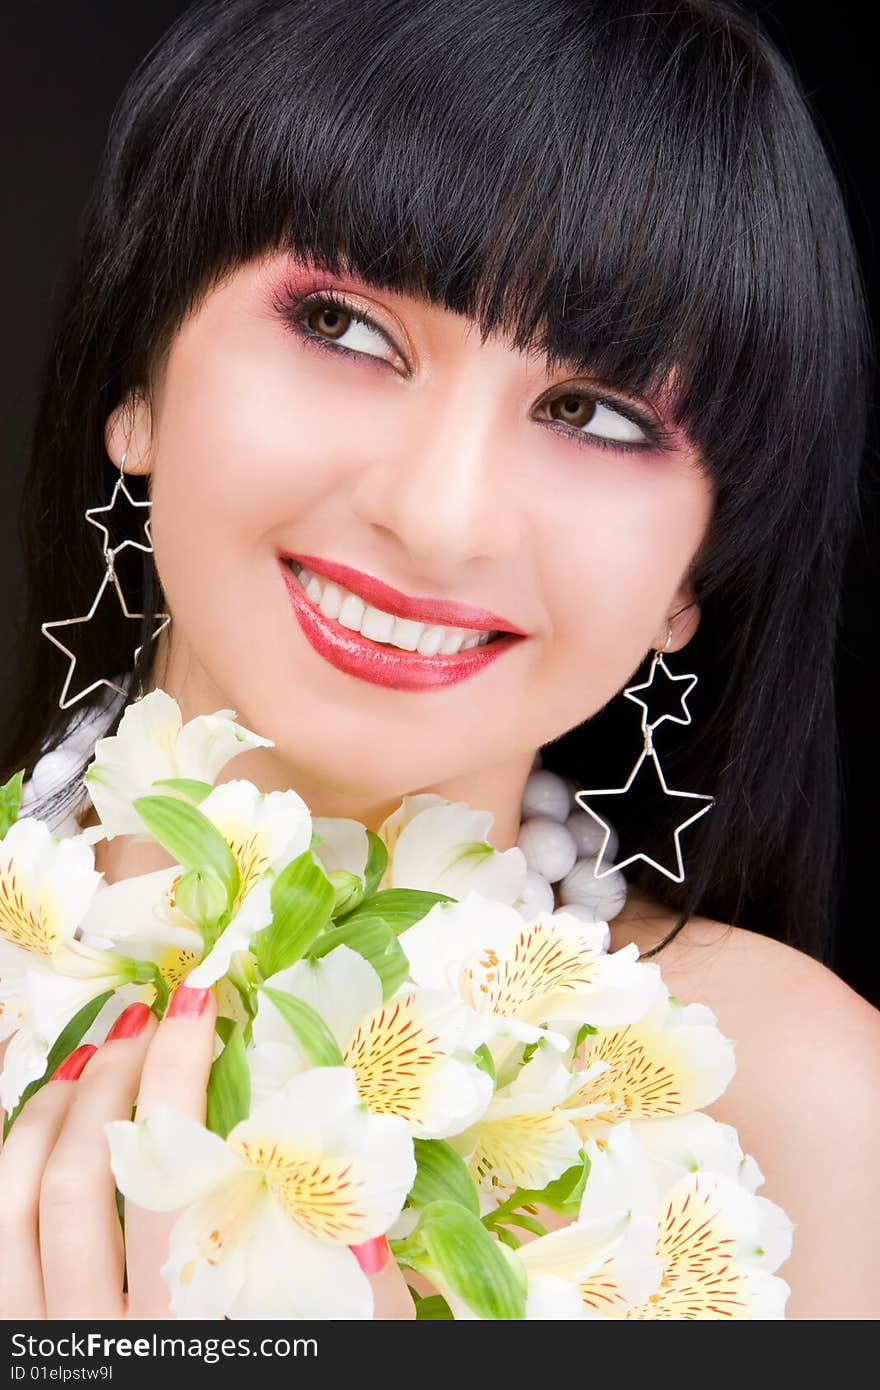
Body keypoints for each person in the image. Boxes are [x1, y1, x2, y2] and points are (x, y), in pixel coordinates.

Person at [0, 0, 878, 1321]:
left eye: (593, 412)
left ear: (692, 575)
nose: (438, 515)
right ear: (140, 377)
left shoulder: (794, 1103)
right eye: (346, 326)